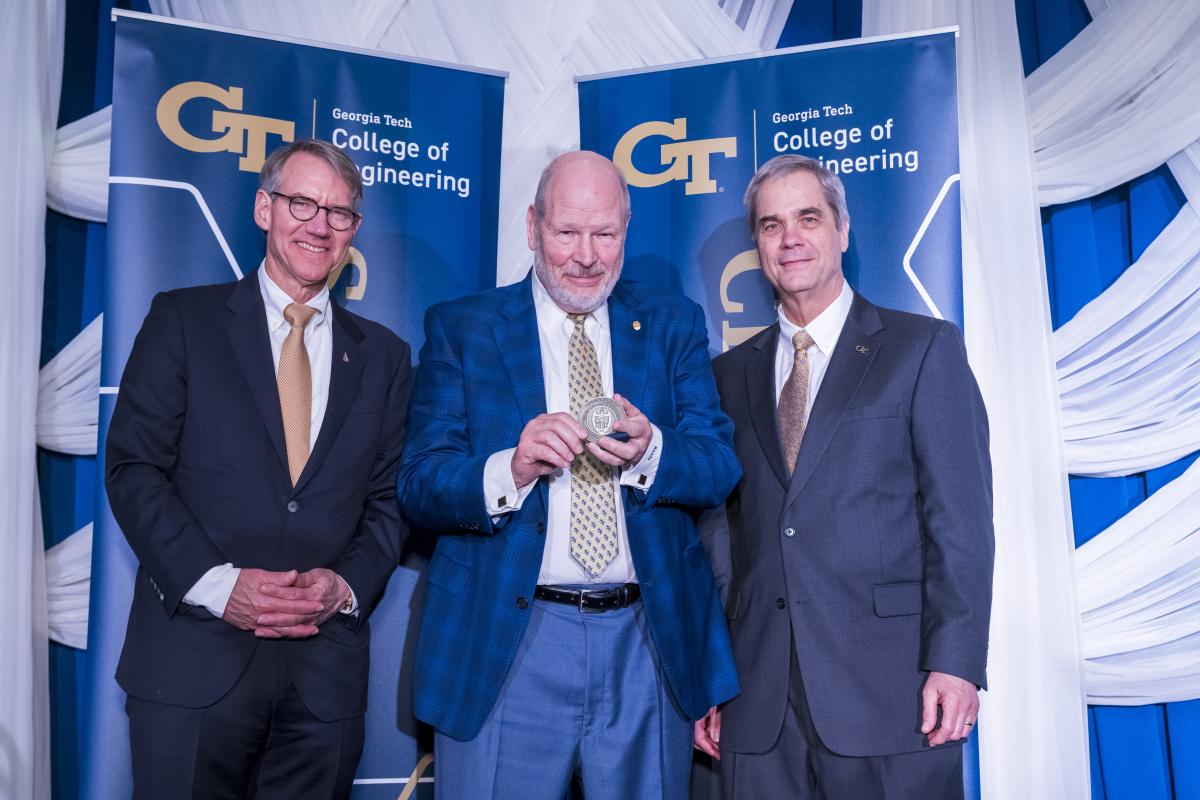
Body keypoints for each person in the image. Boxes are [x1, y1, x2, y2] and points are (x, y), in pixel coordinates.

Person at [398, 150, 740, 799]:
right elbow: (419, 482)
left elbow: (719, 464)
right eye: (567, 233)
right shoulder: (463, 328)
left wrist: (651, 451)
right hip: (505, 641)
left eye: (605, 234)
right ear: (532, 227)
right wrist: (512, 466)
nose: (586, 255)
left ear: (625, 232)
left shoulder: (672, 323)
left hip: (648, 645)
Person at [106, 138, 412, 798]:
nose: (319, 225)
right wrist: (219, 585)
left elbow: (390, 502)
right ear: (264, 208)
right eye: (302, 202)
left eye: (339, 212)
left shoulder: (385, 358)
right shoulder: (183, 320)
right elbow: (134, 469)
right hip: (191, 668)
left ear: (354, 230)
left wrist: (345, 587)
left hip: (322, 686)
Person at [696, 154, 994, 799]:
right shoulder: (726, 377)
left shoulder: (922, 349)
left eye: (808, 217)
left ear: (843, 230)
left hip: (894, 692)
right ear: (758, 246)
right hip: (758, 699)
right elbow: (720, 540)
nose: (790, 237)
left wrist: (957, 663)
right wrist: (710, 676)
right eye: (771, 225)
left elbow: (960, 520)